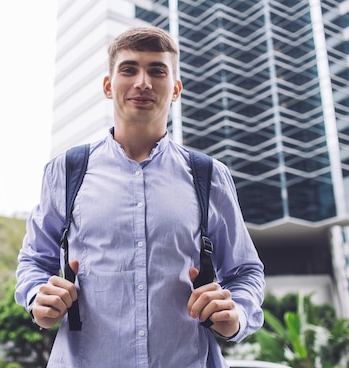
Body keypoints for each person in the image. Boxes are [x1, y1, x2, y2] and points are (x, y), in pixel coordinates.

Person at [15, 25, 265, 368]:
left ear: (175, 89)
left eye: (157, 71)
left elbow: (245, 270)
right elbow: (33, 262)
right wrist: (36, 298)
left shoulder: (209, 176)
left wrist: (235, 312)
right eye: (129, 69)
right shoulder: (66, 171)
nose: (143, 82)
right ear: (108, 85)